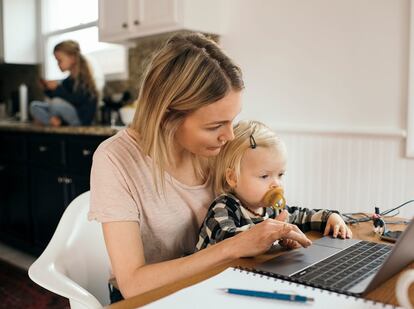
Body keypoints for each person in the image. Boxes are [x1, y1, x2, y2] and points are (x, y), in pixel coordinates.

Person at [88, 33, 313, 303]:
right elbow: (133, 284)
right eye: (215, 126)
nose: (229, 136)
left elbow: (246, 212)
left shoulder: (217, 148)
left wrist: (273, 234)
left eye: (232, 120)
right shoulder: (116, 159)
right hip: (154, 299)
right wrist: (233, 247)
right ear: (168, 115)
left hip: (219, 284)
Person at [196, 120, 352, 251]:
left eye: (280, 175)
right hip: (205, 277)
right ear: (232, 177)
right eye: (264, 176)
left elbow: (299, 216)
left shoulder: (270, 208)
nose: (276, 183)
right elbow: (226, 239)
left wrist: (330, 217)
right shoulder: (224, 206)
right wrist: (274, 233)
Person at [30, 40, 98, 126]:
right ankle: (54, 121)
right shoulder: (68, 80)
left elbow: (75, 100)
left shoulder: (84, 80)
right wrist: (47, 89)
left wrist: (57, 88)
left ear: (72, 58)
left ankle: (52, 121)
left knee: (56, 102)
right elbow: (61, 96)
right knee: (34, 106)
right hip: (66, 114)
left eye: (59, 60)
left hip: (81, 120)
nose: (58, 64)